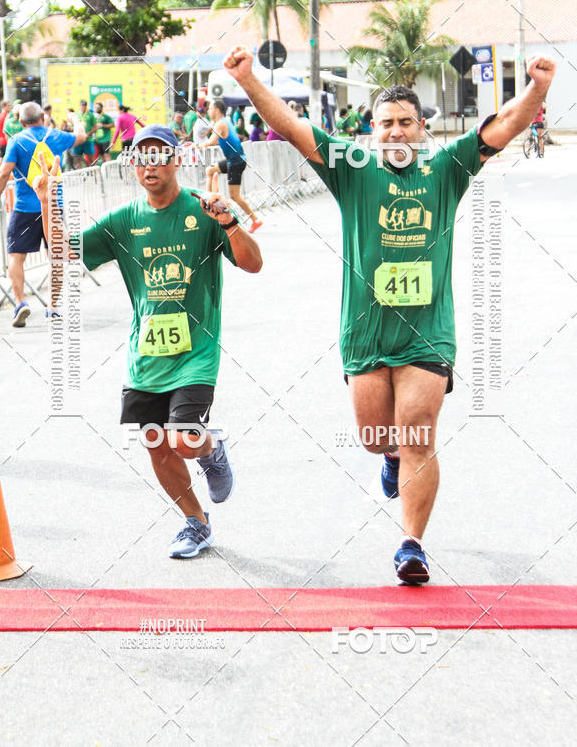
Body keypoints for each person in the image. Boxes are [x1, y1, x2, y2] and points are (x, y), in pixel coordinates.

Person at [223, 44, 557, 585]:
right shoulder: (350, 170)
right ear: (371, 131)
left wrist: (537, 88)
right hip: (365, 334)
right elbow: (291, 126)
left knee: (418, 431)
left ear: (422, 128)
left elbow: (505, 126)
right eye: (386, 124)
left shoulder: (446, 167)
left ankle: (411, 545)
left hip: (428, 332)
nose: (396, 132)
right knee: (378, 437)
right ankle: (391, 457)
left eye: (406, 122)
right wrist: (249, 80)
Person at [32, 124, 262, 558]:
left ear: (176, 160)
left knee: (184, 438)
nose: (150, 164)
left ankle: (211, 449)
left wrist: (229, 221)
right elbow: (64, 252)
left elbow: (253, 263)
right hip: (146, 356)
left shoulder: (203, 208)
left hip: (196, 352)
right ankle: (196, 523)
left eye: (159, 156)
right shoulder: (124, 219)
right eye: (142, 157)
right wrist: (46, 201)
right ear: (133, 165)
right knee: (157, 445)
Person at [0, 102, 86, 326]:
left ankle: (21, 303)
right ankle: (52, 307)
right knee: (56, 255)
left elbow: (3, 174)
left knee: (16, 256)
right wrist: (75, 119)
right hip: (53, 206)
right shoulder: (56, 135)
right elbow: (81, 136)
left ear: (21, 122)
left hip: (24, 208)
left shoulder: (17, 140)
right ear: (42, 117)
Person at [201, 100, 263, 234]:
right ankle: (208, 203)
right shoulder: (224, 121)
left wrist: (196, 146)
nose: (208, 111)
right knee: (210, 170)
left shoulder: (220, 124)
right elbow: (217, 141)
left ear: (217, 110)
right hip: (233, 160)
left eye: (210, 109)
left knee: (234, 196)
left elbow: (211, 142)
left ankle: (255, 219)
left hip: (236, 162)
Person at [75, 99, 97, 168]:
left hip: (88, 140)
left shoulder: (90, 115)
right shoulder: (76, 115)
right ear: (79, 106)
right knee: (77, 159)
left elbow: (95, 127)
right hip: (78, 141)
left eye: (85, 105)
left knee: (91, 159)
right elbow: (73, 127)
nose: (83, 107)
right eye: (82, 105)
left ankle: (95, 173)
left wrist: (88, 133)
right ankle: (79, 173)